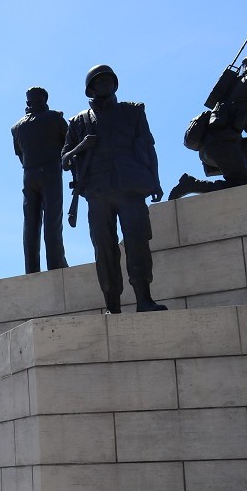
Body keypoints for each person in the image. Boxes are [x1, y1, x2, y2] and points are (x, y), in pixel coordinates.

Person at [62, 64, 167, 313]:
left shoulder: (133, 111)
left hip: (130, 189)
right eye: (99, 82)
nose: (105, 85)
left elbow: (148, 147)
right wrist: (81, 147)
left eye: (109, 80)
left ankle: (144, 299)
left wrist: (155, 180)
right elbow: (64, 160)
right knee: (104, 250)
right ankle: (112, 306)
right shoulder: (78, 122)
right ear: (91, 88)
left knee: (137, 243)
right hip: (97, 194)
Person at [169, 53, 247, 200]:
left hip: (226, 145)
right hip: (221, 145)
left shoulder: (241, 92)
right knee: (241, 185)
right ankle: (192, 184)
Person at [11, 87, 69, 273]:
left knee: (30, 225)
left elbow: (20, 155)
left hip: (29, 174)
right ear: (44, 100)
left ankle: (31, 270)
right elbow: (68, 148)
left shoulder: (17, 127)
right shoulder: (55, 118)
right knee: (53, 221)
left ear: (28, 102)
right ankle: (56, 265)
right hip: (50, 171)